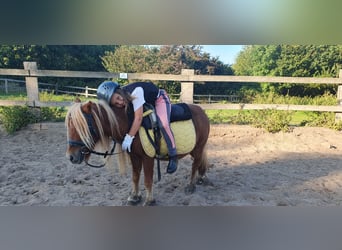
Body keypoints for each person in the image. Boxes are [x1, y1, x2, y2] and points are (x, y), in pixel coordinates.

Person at [97, 80, 178, 174]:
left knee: (163, 124)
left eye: (118, 98)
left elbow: (138, 118)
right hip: (146, 101)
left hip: (159, 99)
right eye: (116, 103)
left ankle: (173, 155)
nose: (120, 102)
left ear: (118, 91)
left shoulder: (136, 91)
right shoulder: (123, 99)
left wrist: (129, 137)